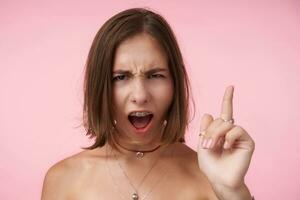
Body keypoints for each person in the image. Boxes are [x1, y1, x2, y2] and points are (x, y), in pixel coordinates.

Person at [41, 7, 255, 200]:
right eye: (121, 77)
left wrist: (232, 192)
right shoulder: (63, 179)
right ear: (100, 87)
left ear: (175, 83)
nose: (140, 95)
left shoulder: (209, 175)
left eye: (155, 75)